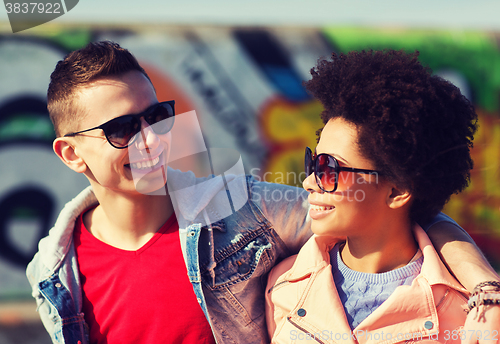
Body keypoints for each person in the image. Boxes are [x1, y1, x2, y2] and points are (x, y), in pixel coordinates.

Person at [26, 41, 498, 344]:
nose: (152, 139)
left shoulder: (244, 208)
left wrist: (483, 285)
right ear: (71, 154)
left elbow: (397, 213)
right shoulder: (52, 271)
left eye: (157, 116)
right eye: (123, 129)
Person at [265, 50, 500, 344]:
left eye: (328, 168)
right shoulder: (283, 286)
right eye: (313, 163)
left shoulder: (470, 315)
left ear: (397, 191)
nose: (309, 181)